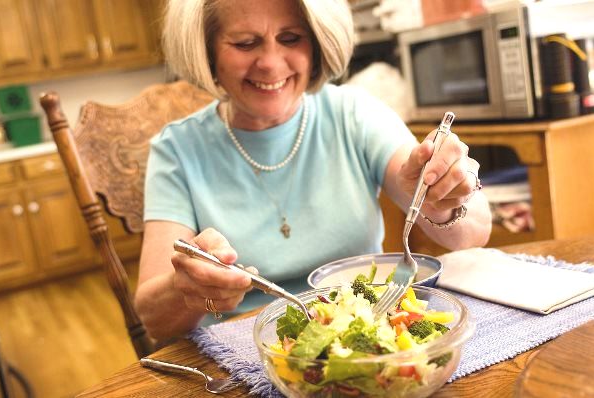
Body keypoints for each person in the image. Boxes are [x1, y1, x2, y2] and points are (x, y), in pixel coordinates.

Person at [134, 0, 492, 341]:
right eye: (245, 43)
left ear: (318, 43)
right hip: (242, 355)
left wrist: (443, 196)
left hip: (368, 337)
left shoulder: (355, 114)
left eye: (290, 38)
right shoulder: (177, 151)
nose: (271, 64)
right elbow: (153, 318)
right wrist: (191, 288)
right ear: (207, 51)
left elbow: (473, 232)